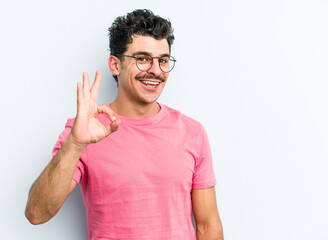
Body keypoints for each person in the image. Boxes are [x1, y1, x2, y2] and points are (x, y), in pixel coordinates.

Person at [25, 9, 223, 240]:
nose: (156, 70)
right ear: (115, 65)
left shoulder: (192, 133)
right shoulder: (84, 131)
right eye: (142, 58)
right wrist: (76, 144)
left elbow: (208, 226)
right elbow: (37, 213)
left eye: (163, 60)